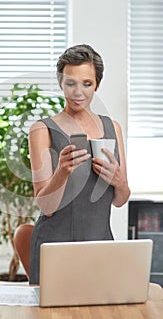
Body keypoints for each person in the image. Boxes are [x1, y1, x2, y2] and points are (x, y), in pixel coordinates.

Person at [28, 44, 131, 285]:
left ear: (96, 84)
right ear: (61, 83)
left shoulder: (112, 127)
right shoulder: (42, 130)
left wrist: (119, 181)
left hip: (101, 247)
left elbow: (120, 199)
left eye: (87, 83)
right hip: (55, 248)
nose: (78, 92)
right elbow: (46, 206)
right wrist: (61, 173)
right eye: (70, 83)